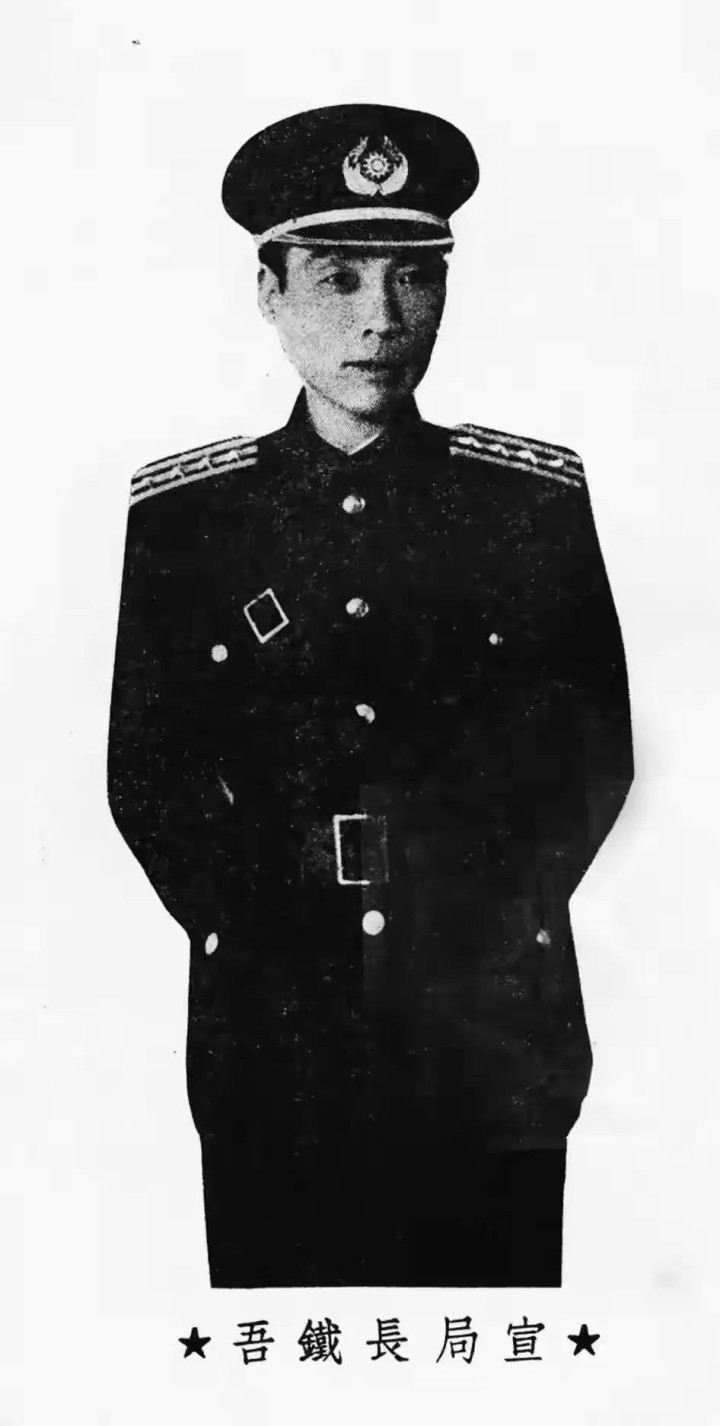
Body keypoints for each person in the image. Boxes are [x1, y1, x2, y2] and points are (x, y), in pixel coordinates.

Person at [108, 103, 633, 1287]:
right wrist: (260, 933)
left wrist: (485, 922)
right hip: (273, 1038)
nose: (381, 320)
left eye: (413, 279)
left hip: (488, 1035)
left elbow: (595, 754)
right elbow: (147, 775)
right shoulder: (189, 521)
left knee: (491, 1341)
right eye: (338, 279)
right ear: (269, 291)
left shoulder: (529, 506)